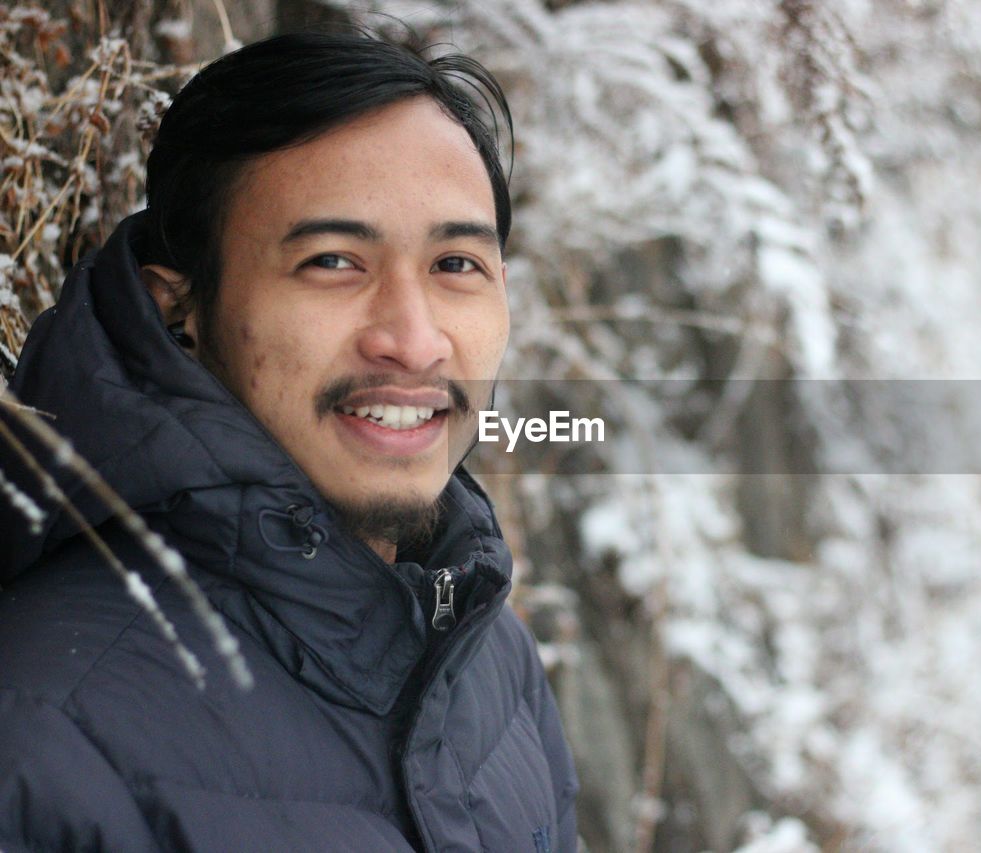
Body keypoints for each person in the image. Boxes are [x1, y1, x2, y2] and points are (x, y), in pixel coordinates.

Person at [0, 31, 578, 851]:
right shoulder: (43, 730)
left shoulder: (486, 657)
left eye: (455, 264)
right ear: (181, 312)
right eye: (334, 261)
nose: (414, 341)